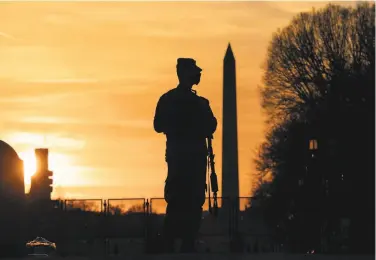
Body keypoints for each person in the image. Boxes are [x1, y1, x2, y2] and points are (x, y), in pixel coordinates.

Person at [153, 58, 217, 253]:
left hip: (183, 157)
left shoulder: (170, 99)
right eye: (195, 71)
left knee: (182, 199)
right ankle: (180, 241)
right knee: (187, 200)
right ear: (185, 73)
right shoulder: (196, 103)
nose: (199, 75)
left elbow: (159, 125)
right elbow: (211, 125)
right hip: (189, 158)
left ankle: (176, 242)